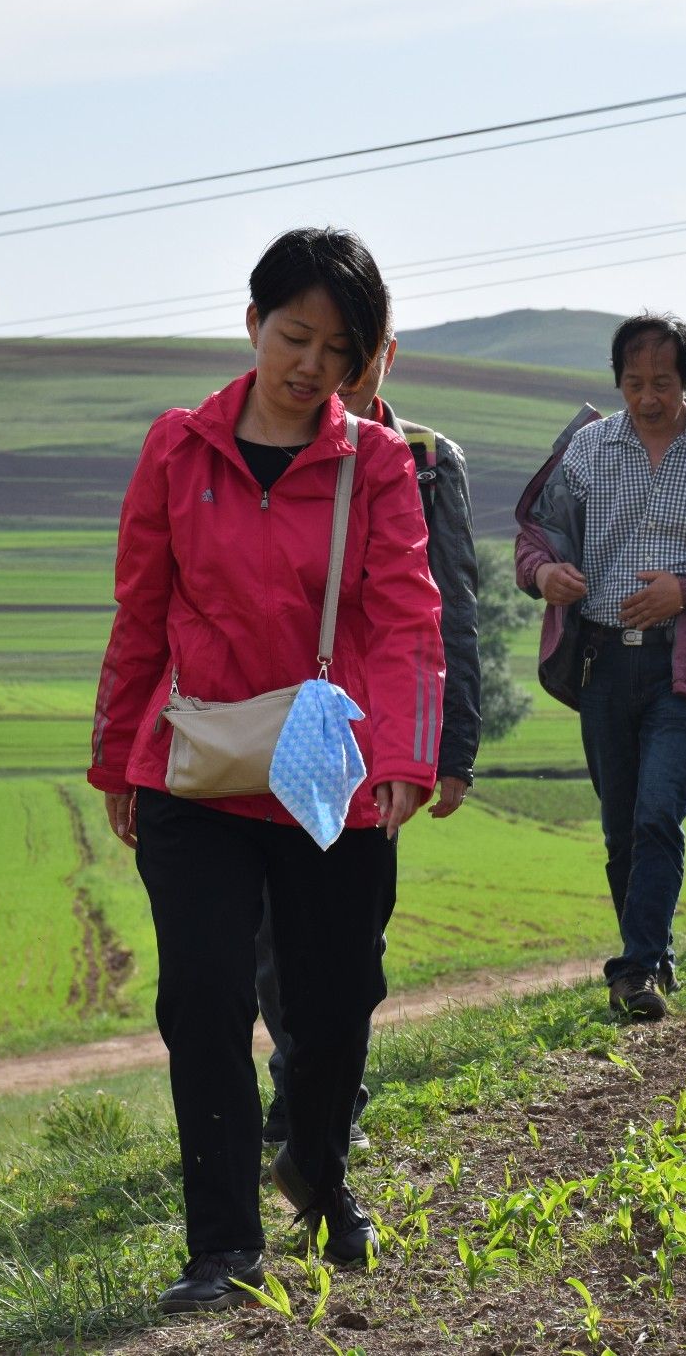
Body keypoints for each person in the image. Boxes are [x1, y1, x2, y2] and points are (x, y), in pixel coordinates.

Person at [87, 227, 443, 1314]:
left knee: (334, 1011)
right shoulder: (176, 450)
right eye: (294, 335)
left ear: (361, 363)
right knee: (201, 998)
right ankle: (222, 1247)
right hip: (192, 773)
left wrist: (402, 760)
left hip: (328, 775)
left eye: (338, 350)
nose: (309, 366)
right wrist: (115, 759)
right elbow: (140, 611)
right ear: (252, 325)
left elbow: (405, 621)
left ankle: (319, 1169)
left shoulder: (376, 465)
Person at [514, 312, 686, 1020]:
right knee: (619, 827)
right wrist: (546, 574)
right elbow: (535, 538)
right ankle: (653, 952)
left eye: (661, 382)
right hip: (603, 661)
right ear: (617, 382)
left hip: (684, 665)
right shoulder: (587, 450)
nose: (646, 397)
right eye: (633, 382)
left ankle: (633, 970)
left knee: (659, 813)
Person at [255, 321, 482, 1151]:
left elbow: (449, 605)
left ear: (388, 356)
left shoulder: (421, 458)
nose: (335, 372)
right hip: (274, 720)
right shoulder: (261, 444)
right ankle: (300, 1089)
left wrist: (449, 748)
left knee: (354, 935)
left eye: (358, 353)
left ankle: (324, 1086)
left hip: (374, 730)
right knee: (273, 930)